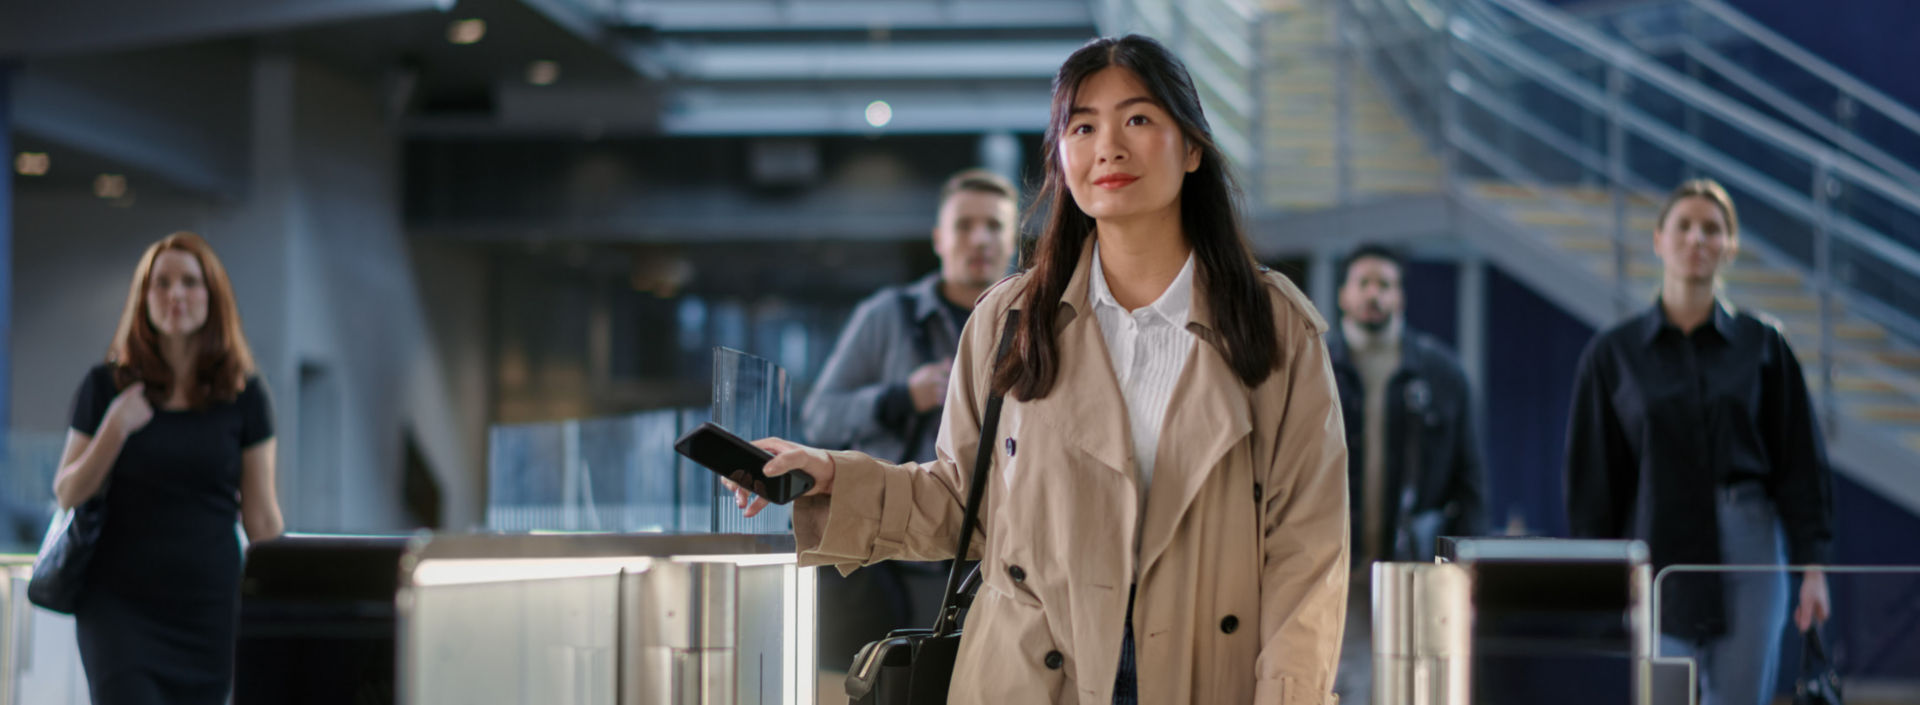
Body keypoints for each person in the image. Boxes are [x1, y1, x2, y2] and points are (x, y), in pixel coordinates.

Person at [731, 34, 1348, 704]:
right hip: (1032, 673)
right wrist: (831, 475)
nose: (1108, 146)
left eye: (1138, 119)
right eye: (1082, 126)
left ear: (1192, 147)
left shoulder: (1274, 325)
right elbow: (960, 500)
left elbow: (1306, 547)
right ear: (1060, 156)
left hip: (1207, 674)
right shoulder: (1011, 320)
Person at [1564, 179, 1833, 705]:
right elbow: (1593, 479)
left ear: (1729, 247)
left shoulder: (1765, 345)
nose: (1697, 239)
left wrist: (1813, 567)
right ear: (1659, 239)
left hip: (1750, 548)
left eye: (1712, 229)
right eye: (1683, 226)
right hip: (1655, 544)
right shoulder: (1612, 353)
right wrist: (1596, 578)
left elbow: (1801, 462)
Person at [51, 232, 287, 704]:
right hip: (118, 607)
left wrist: (296, 589)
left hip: (209, 611)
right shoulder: (105, 387)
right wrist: (114, 429)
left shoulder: (244, 397)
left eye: (189, 282)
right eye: (160, 283)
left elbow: (260, 519)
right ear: (144, 300)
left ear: (212, 297)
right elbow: (68, 492)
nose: (175, 294)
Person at [800, 168, 1020, 669]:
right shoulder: (888, 316)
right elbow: (819, 418)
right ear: (939, 238)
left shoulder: (1032, 321)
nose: (980, 238)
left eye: (994, 226)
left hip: (992, 561)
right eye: (964, 225)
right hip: (893, 561)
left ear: (1012, 241)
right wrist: (900, 396)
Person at [1326, 243, 1487, 705]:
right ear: (1343, 295)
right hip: (1341, 571)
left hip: (1419, 569)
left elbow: (1470, 477)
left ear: (1401, 296)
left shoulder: (1443, 373)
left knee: (1422, 693)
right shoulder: (1315, 365)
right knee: (1348, 689)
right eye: (1363, 283)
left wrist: (1469, 563)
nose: (1374, 294)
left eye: (1385, 284)